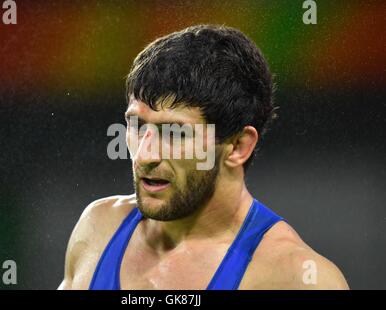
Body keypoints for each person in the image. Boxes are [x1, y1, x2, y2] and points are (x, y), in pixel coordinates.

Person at [58, 25, 349, 290]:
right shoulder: (98, 230)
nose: (145, 155)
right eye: (136, 125)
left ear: (237, 147)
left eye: (174, 133)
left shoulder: (297, 278)